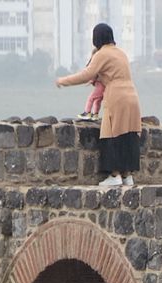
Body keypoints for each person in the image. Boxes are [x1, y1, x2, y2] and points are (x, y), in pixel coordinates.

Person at [57, 23, 141, 187]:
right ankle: (127, 175)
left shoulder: (102, 54)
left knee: (111, 134)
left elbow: (86, 74)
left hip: (116, 96)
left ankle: (114, 175)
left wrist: (63, 81)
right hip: (132, 95)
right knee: (128, 134)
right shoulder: (121, 53)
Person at [78, 49, 105, 121]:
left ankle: (87, 112)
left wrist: (91, 80)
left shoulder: (98, 65)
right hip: (102, 86)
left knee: (91, 98)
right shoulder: (102, 64)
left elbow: (96, 74)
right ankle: (95, 114)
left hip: (101, 86)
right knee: (97, 100)